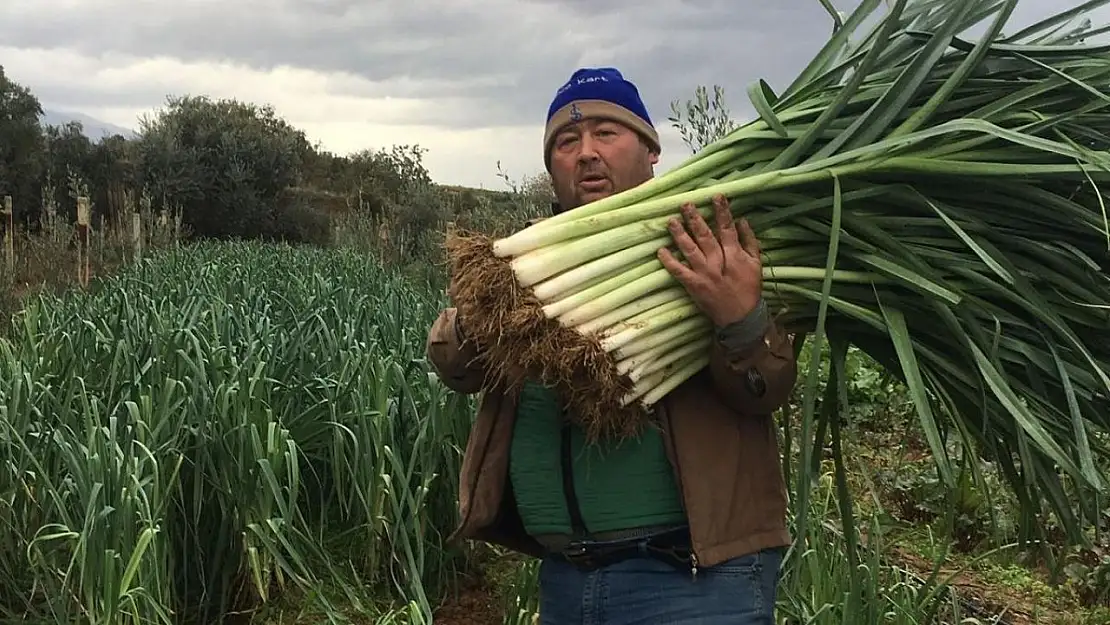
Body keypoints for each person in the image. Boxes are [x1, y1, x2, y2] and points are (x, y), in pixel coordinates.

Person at [426, 67, 798, 624]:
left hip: (693, 581)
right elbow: (454, 365)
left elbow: (767, 387)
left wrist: (739, 319)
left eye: (607, 133)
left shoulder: (715, 248)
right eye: (567, 142)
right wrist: (488, 311)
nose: (586, 154)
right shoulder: (525, 266)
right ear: (552, 166)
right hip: (565, 581)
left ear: (651, 151)